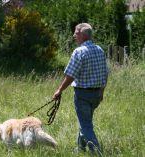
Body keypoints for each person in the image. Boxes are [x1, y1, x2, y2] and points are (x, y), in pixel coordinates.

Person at [53, 23, 108, 155]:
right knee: (85, 122)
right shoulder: (99, 49)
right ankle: (81, 149)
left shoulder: (79, 51)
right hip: (96, 95)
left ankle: (97, 152)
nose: (73, 36)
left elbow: (71, 75)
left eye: (75, 33)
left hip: (83, 94)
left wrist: (59, 90)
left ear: (82, 36)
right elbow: (105, 73)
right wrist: (101, 92)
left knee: (86, 125)